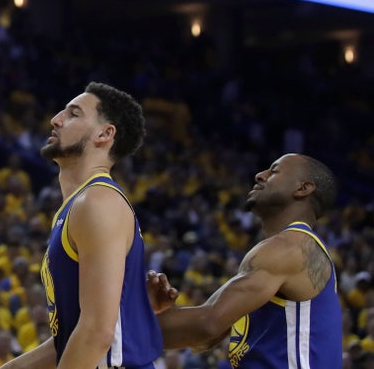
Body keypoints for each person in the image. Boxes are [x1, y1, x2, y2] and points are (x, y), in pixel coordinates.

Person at [0, 83, 162, 369]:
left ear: (104, 133)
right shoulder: (80, 205)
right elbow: (70, 338)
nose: (56, 119)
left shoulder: (98, 202)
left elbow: (97, 333)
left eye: (73, 114)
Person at [145, 154, 342, 367]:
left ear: (303, 188)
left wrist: (119, 324)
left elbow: (207, 324)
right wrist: (156, 313)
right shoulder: (285, 251)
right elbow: (204, 338)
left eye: (274, 171)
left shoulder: (289, 247)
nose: (260, 175)